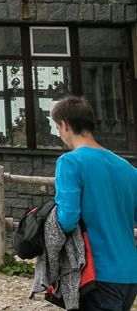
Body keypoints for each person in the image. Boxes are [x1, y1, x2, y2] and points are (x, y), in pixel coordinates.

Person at [51, 96, 137, 310]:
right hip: (128, 274)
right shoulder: (126, 167)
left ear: (64, 125)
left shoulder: (70, 162)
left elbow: (67, 219)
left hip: (96, 272)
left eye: (57, 127)